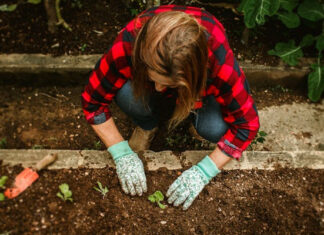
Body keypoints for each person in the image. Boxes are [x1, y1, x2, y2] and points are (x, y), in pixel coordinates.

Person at [81, 5, 260, 210]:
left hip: (198, 90)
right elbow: (93, 102)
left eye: (168, 84)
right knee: (127, 94)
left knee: (215, 128)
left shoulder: (217, 61)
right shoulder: (129, 43)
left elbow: (247, 125)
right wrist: (121, 153)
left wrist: (204, 171)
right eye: (154, 79)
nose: (158, 88)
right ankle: (147, 124)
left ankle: (195, 116)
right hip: (159, 79)